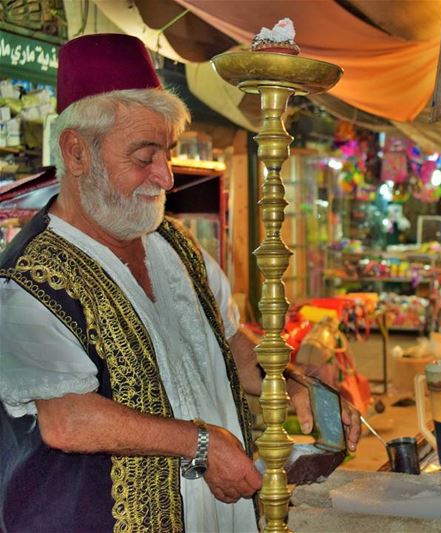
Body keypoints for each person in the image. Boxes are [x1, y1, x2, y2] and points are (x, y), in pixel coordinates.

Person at [0, 33, 359, 532]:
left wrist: (295, 385)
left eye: (167, 152)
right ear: (76, 152)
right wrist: (201, 443)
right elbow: (67, 419)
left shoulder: (176, 245)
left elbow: (229, 345)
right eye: (144, 157)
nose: (166, 176)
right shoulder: (24, 280)